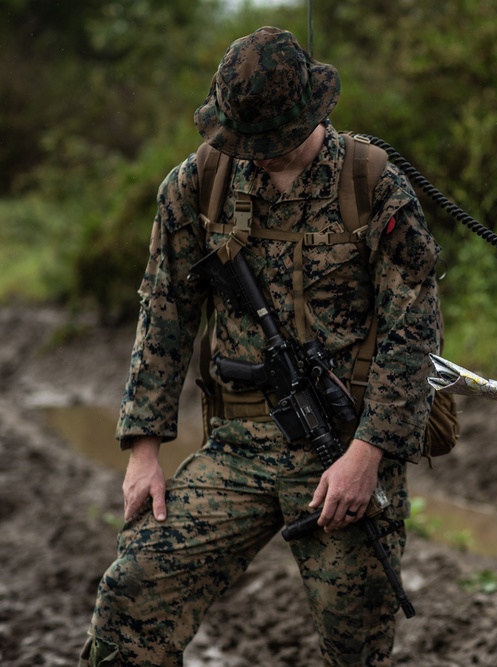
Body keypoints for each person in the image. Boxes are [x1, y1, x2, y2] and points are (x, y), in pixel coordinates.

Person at [78, 26, 442, 666]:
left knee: (354, 644)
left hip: (344, 448)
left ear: (310, 113)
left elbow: (412, 335)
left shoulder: (374, 187)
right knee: (132, 595)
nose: (256, 155)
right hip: (237, 448)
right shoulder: (196, 186)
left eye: (269, 142)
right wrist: (143, 450)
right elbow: (165, 312)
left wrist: (366, 456)